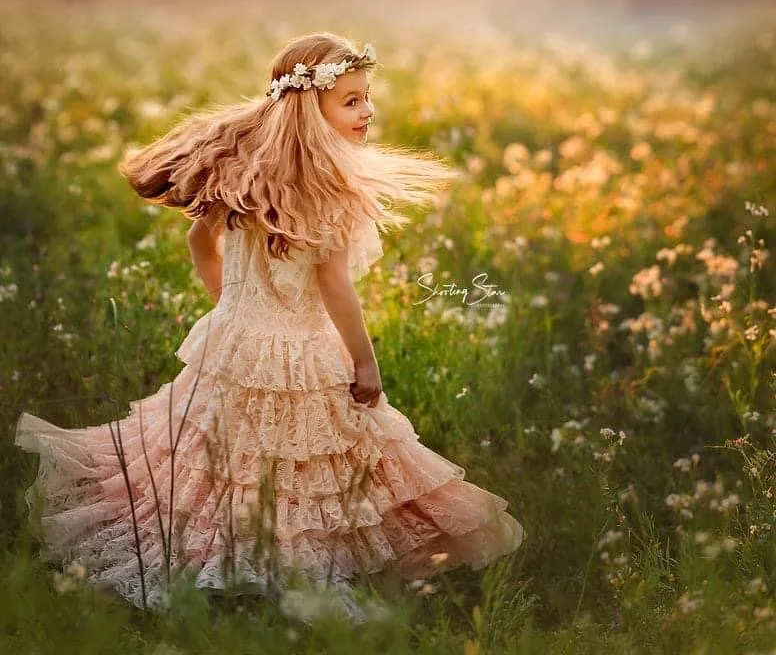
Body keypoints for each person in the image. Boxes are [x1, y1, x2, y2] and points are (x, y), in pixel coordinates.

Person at [14, 31, 524, 621]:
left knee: (224, 461)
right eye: (352, 100)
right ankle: (288, 568)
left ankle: (239, 559)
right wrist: (365, 361)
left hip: (233, 344)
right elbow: (335, 285)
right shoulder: (329, 188)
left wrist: (232, 306)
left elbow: (198, 240)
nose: (368, 111)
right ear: (311, 106)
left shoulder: (247, 175)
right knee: (313, 464)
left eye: (367, 97)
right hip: (301, 349)